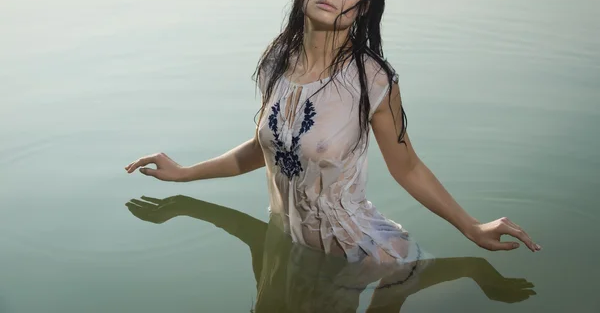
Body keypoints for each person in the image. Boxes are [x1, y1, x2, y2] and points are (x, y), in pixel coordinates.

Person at [124, 0, 541, 265]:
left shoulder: (372, 80)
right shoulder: (276, 61)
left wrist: (471, 227)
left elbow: (408, 166)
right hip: (286, 250)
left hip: (361, 257)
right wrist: (183, 173)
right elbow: (267, 148)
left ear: (364, 5)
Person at [125, 194, 536, 312]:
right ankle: (473, 271)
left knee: (398, 278)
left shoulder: (270, 297)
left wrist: (185, 203)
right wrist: (183, 189)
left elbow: (246, 233)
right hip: (333, 252)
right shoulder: (270, 296)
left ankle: (473, 268)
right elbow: (260, 149)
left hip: (362, 244)